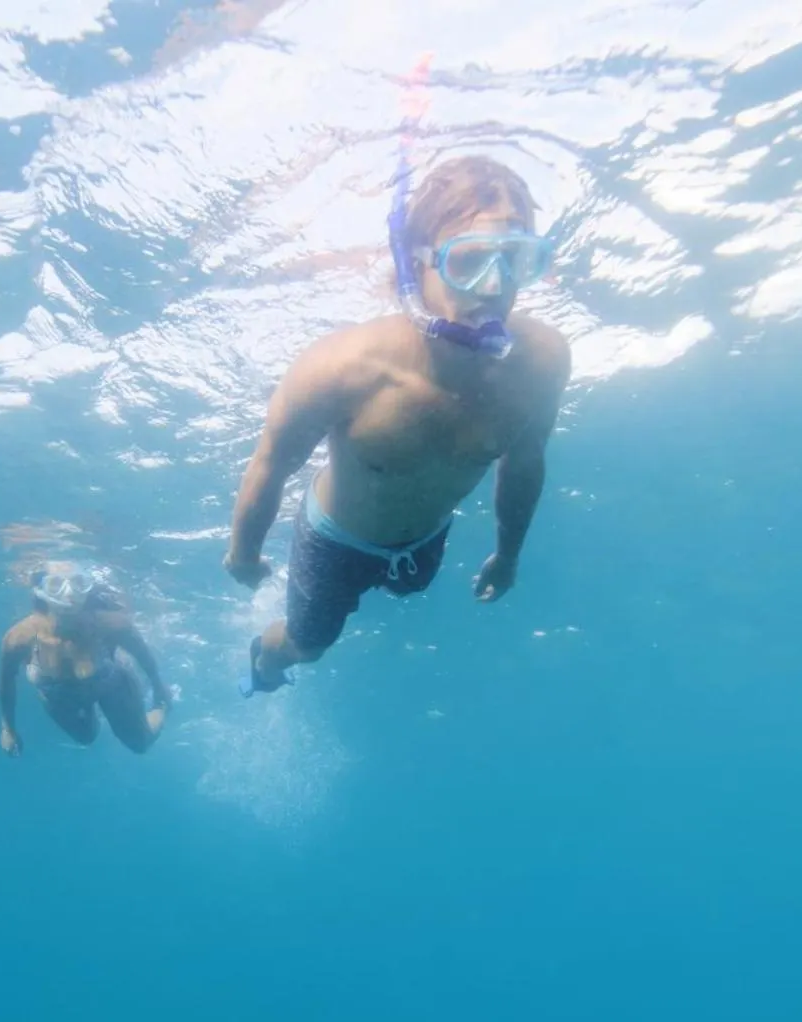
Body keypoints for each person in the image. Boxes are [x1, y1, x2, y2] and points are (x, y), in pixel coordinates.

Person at [223, 155, 571, 694]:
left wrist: (508, 555)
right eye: (469, 261)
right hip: (334, 540)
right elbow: (271, 462)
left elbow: (526, 462)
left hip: (426, 539)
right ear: (416, 263)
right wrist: (242, 553)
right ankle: (266, 659)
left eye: (515, 261)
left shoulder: (542, 362)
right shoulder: (342, 368)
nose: (492, 287)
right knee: (309, 647)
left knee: (410, 591)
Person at [0, 562, 172, 756]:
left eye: (78, 583)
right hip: (60, 697)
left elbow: (144, 656)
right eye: (56, 586)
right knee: (86, 737)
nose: (69, 594)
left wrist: (160, 690)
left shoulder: (111, 624)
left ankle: (160, 709)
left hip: (111, 684)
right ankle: (92, 711)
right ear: (40, 590)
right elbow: (6, 683)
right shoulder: (19, 637)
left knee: (140, 743)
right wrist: (8, 728)